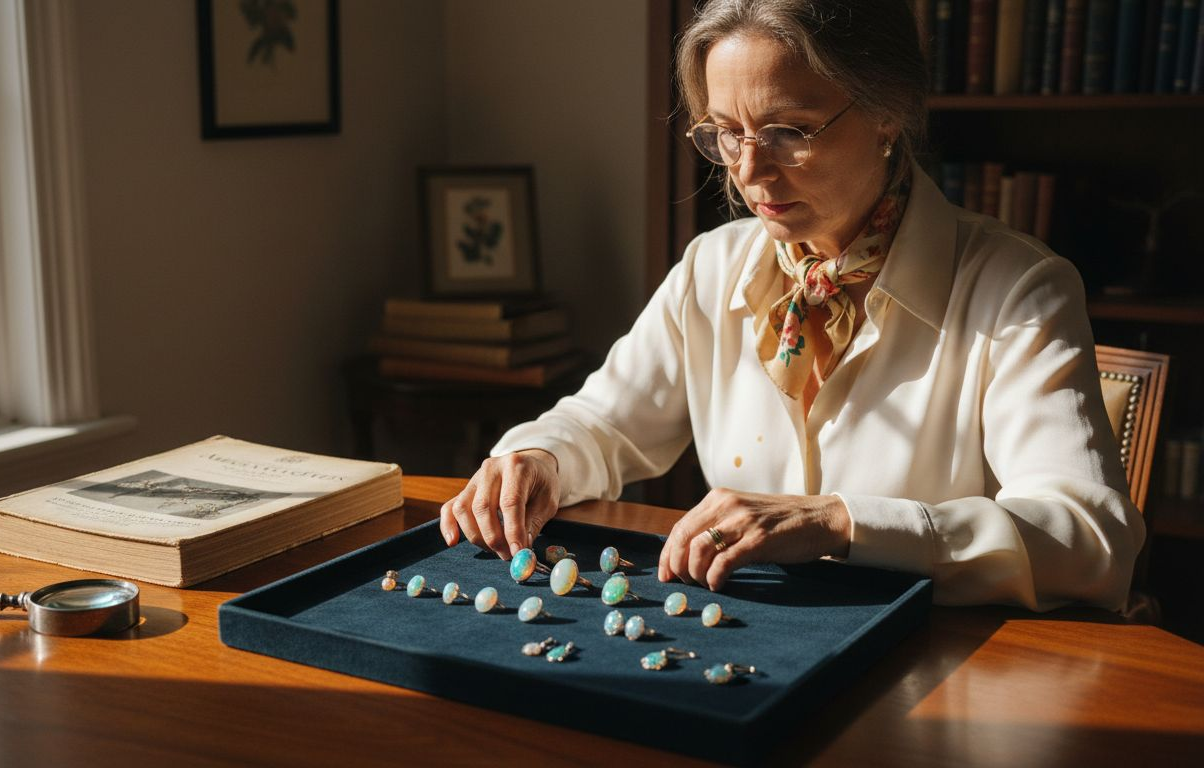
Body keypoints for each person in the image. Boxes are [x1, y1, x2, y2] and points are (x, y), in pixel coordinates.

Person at [439, 0, 1144, 612]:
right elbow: (605, 422)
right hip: (749, 656)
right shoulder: (713, 269)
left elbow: (1089, 539)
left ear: (887, 112)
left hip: (939, 672)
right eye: (725, 132)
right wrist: (537, 456)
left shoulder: (1018, 288)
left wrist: (844, 521)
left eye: (788, 131)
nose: (748, 170)